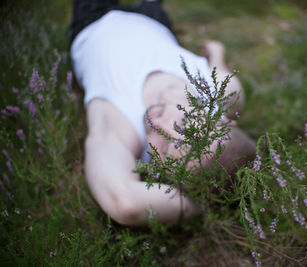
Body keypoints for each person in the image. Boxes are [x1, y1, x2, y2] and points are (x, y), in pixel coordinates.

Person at [70, 0, 255, 226]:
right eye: (185, 127)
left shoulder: (120, 125)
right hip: (154, 21)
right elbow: (229, 80)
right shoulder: (225, 98)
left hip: (94, 20)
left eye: (166, 148)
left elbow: (126, 204)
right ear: (221, 120)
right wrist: (216, 54)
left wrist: (204, 207)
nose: (159, 125)